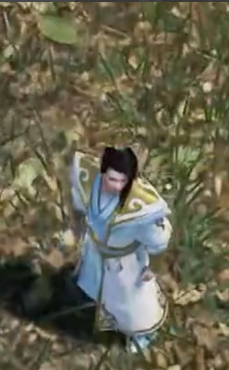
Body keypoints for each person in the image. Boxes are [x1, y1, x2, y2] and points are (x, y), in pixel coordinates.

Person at [68, 146, 173, 352]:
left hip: (125, 264)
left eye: (122, 181)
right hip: (96, 253)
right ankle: (98, 313)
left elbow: (159, 238)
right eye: (112, 179)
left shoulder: (141, 208)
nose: (116, 186)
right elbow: (79, 203)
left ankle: (142, 334)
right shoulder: (89, 181)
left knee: (132, 305)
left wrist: (154, 263)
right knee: (95, 288)